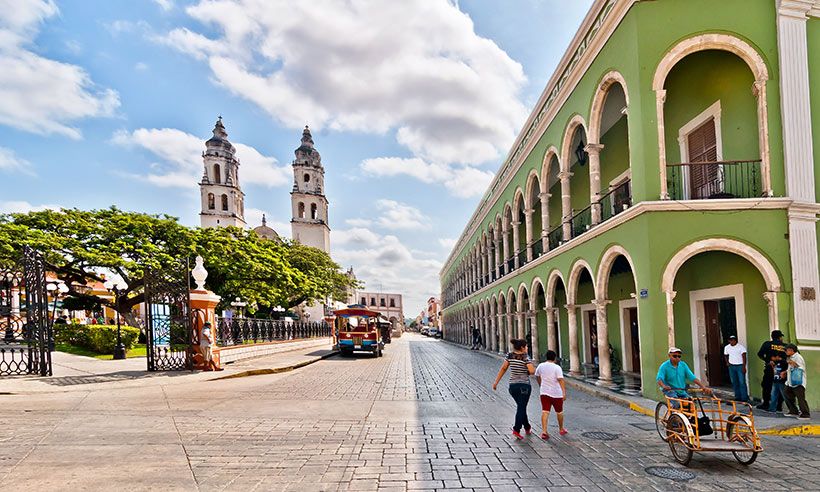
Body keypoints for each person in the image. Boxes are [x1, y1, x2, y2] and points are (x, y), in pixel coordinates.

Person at [493, 339, 535, 439]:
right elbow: (532, 371)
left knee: (521, 406)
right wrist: (528, 370)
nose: (527, 348)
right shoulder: (525, 357)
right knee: (521, 407)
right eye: (526, 346)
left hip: (513, 386)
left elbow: (503, 368)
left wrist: (496, 382)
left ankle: (527, 427)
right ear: (522, 347)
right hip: (524, 386)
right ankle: (516, 429)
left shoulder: (509, 355)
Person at [534, 350, 567, 440]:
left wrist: (540, 384)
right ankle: (561, 429)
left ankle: (544, 432)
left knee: (545, 411)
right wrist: (564, 392)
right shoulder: (557, 368)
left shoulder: (541, 366)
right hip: (556, 393)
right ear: (555, 358)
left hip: (544, 392)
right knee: (559, 412)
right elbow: (560, 380)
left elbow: (536, 375)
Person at [756, 330, 786, 410]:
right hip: (782, 370)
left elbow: (760, 354)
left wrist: (768, 360)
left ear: (772, 337)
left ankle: (766, 404)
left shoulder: (767, 344)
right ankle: (779, 406)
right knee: (780, 387)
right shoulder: (785, 346)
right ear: (780, 337)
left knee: (766, 386)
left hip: (770, 368)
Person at [782, 344, 810, 419]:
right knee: (786, 393)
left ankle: (805, 414)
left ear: (791, 350)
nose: (785, 352)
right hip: (790, 381)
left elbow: (801, 368)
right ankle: (793, 411)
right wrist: (785, 372)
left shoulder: (798, 357)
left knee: (800, 398)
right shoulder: (791, 357)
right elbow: (791, 368)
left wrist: (793, 363)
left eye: (786, 350)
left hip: (798, 381)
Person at [723, 335, 748, 402]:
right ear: (729, 341)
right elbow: (725, 355)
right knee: (734, 381)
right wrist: (727, 362)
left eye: (733, 340)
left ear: (735, 340)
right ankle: (737, 396)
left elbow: (744, 356)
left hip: (740, 365)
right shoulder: (727, 347)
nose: (732, 341)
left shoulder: (740, 347)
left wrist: (744, 366)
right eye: (731, 340)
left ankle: (744, 397)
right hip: (732, 366)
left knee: (742, 382)